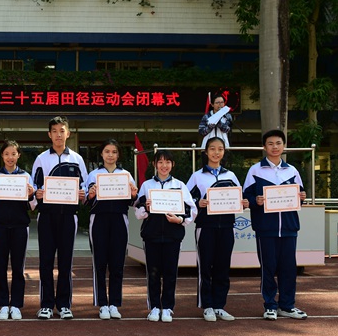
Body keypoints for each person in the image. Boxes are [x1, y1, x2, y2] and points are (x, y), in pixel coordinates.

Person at [243, 129, 308, 321]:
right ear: (264, 147)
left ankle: (287, 306)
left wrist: (302, 196)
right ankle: (270, 305)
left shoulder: (292, 171)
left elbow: (299, 195)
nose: (274, 147)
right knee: (268, 268)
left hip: (289, 228)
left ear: (284, 146)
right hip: (266, 229)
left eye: (278, 143)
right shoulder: (255, 170)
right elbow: (245, 198)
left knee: (289, 269)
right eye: (270, 143)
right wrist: (256, 201)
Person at [186, 137, 248, 322]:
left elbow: (239, 198)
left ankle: (219, 305)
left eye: (220, 149)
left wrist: (244, 202)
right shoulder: (197, 176)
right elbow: (186, 200)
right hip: (205, 227)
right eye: (212, 149)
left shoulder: (231, 176)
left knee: (223, 267)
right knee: (205, 267)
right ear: (206, 152)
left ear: (224, 152)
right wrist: (198, 202)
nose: (216, 152)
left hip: (227, 227)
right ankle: (207, 306)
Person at [32, 116, 87, 319]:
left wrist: (82, 193)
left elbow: (84, 185)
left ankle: (64, 304)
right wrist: (36, 193)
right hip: (47, 215)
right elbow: (34, 185)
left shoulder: (77, 159)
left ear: (68, 133)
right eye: (54, 131)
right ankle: (46, 304)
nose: (58, 135)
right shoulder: (41, 159)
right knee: (46, 261)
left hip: (69, 216)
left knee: (66, 262)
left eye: (62, 131)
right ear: (49, 134)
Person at [135, 149, 197, 323]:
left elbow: (192, 210)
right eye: (160, 162)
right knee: (153, 273)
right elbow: (137, 211)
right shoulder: (147, 185)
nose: (164, 165)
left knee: (170, 273)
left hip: (173, 236)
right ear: (154, 164)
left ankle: (168, 307)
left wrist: (180, 220)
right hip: (151, 236)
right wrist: (146, 208)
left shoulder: (180, 185)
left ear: (172, 165)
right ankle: (154, 307)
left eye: (167, 162)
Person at [84, 139, 138, 320]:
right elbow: (85, 201)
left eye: (114, 152)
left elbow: (133, 201)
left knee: (117, 264)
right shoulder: (93, 175)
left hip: (119, 220)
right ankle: (102, 304)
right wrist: (91, 195)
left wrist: (133, 195)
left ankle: (114, 303)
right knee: (99, 263)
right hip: (98, 220)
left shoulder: (126, 175)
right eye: (107, 151)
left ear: (118, 154)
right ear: (101, 154)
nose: (110, 155)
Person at [0, 140, 36, 320]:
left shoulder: (26, 176)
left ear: (18, 155)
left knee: (18, 267)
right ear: (2, 155)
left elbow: (33, 206)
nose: (10, 157)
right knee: (0, 267)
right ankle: (2, 304)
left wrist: (31, 194)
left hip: (20, 226)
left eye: (13, 154)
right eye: (6, 154)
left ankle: (15, 304)